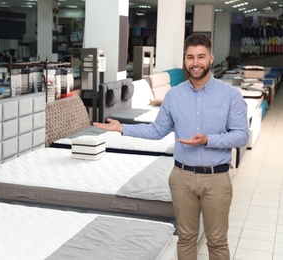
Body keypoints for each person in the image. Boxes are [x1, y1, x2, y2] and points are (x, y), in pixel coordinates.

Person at [93, 33, 249, 260]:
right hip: (182, 177)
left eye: (201, 57)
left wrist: (209, 140)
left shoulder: (230, 96)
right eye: (190, 57)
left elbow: (241, 136)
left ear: (211, 58)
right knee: (186, 238)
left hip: (216, 179)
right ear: (185, 60)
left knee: (217, 241)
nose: (195, 63)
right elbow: (157, 131)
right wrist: (123, 128)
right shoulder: (173, 96)